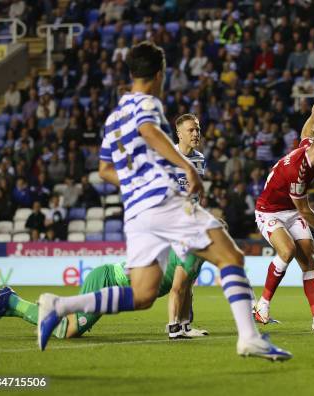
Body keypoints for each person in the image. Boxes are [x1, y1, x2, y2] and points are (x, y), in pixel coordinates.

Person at [36, 42, 290, 360]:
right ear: (159, 74)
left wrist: (135, 182)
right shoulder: (149, 104)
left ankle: (59, 305)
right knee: (230, 256)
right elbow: (149, 130)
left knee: (142, 294)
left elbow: (104, 170)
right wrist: (184, 167)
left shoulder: (114, 117)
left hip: (138, 212)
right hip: (162, 201)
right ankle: (249, 338)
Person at [0, 251, 208, 340]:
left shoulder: (196, 259)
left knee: (71, 330)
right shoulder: (188, 255)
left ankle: (8, 304)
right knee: (66, 330)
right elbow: (177, 290)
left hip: (111, 283)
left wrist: (186, 326)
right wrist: (174, 328)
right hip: (106, 281)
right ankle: (12, 301)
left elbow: (186, 290)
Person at [253, 101, 314, 332]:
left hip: (290, 211)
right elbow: (304, 210)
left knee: (308, 259)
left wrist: (313, 115)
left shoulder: (310, 147)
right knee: (287, 250)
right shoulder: (298, 171)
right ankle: (262, 306)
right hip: (268, 211)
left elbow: (306, 132)